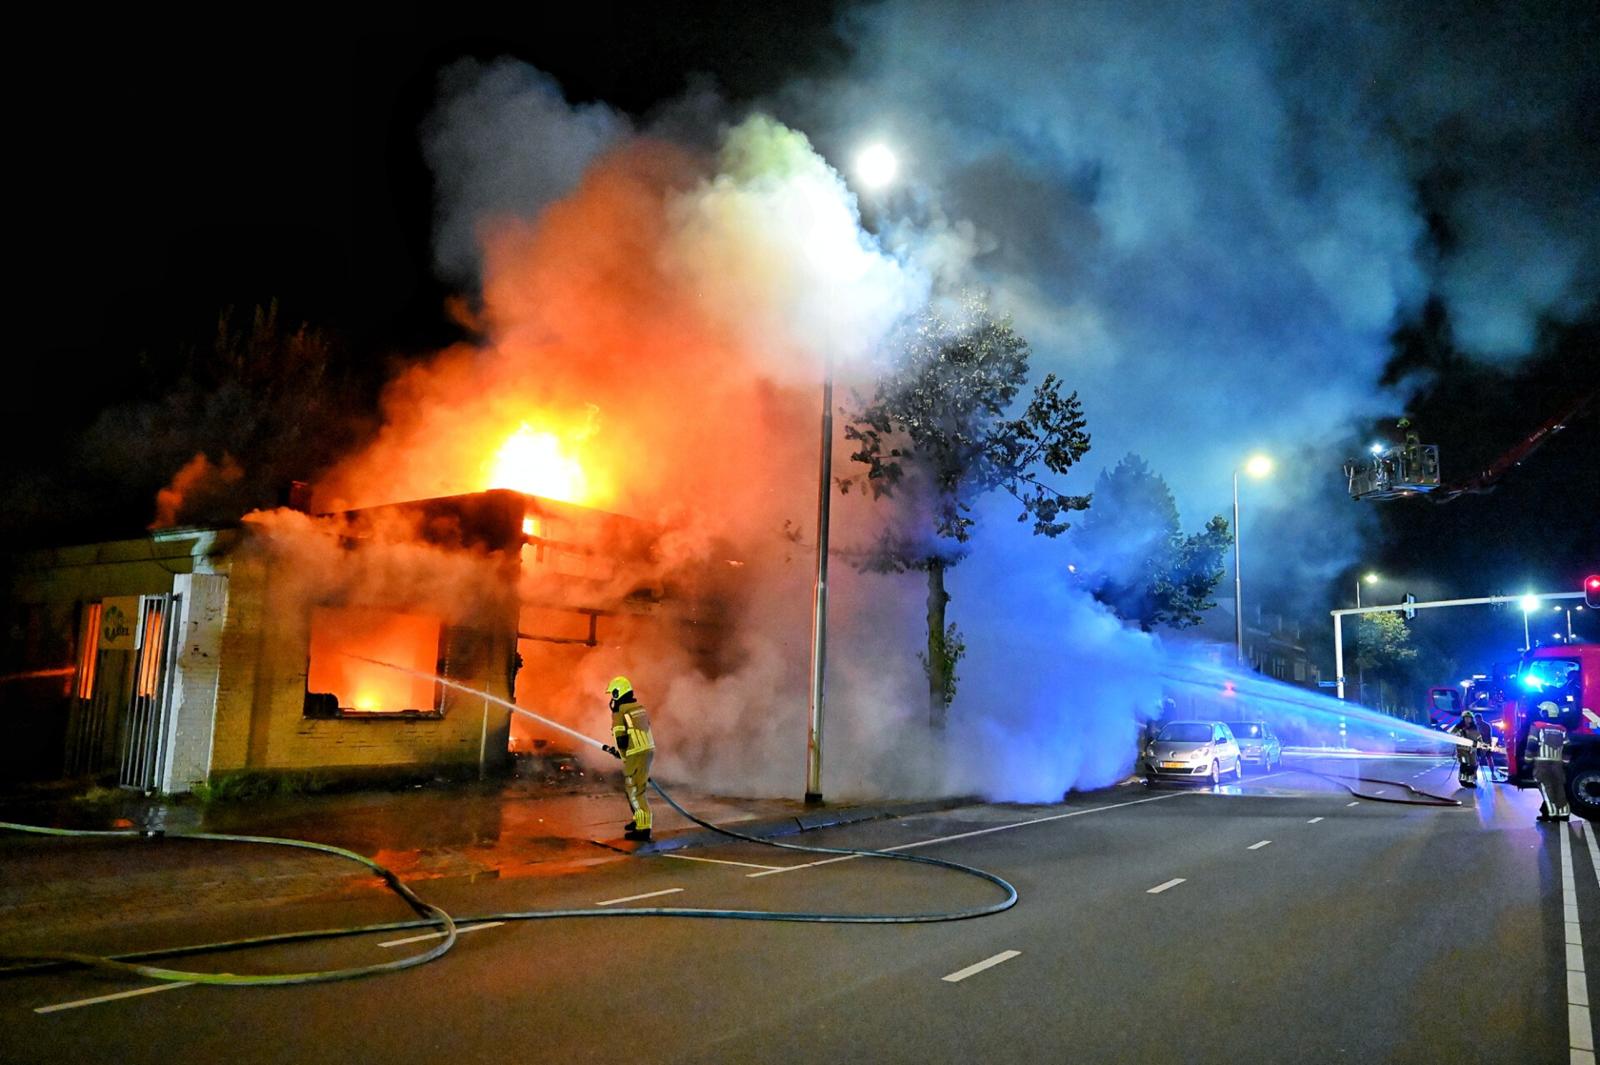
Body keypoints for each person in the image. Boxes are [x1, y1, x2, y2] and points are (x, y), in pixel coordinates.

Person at [600, 676, 656, 841]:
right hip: (646, 750)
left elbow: (621, 738)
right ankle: (638, 819)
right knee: (637, 786)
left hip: (635, 753)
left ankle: (643, 828)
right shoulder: (639, 707)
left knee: (634, 791)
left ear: (619, 693)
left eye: (613, 694)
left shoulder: (621, 711)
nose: (612, 699)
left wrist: (623, 753)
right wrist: (625, 753)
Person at [1527, 701, 1569, 823]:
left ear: (1545, 713)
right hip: (1558, 764)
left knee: (1546, 788)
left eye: (1542, 711)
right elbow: (1568, 747)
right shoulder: (1562, 729)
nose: (1540, 712)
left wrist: (1528, 760)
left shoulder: (1537, 726)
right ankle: (1564, 813)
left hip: (1542, 764)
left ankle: (1552, 814)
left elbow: (1532, 744)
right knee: (1559, 787)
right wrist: (1565, 762)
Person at [1450, 711, 1483, 787]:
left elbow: (1479, 737)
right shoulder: (1458, 727)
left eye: (1469, 718)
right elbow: (1452, 735)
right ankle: (1463, 781)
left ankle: (1470, 782)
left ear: (1472, 719)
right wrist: (1459, 732)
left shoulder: (1475, 727)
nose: (1468, 719)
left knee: (1472, 766)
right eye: (1466, 718)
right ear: (1463, 718)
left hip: (1472, 750)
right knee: (1465, 764)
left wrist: (1480, 745)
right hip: (1462, 750)